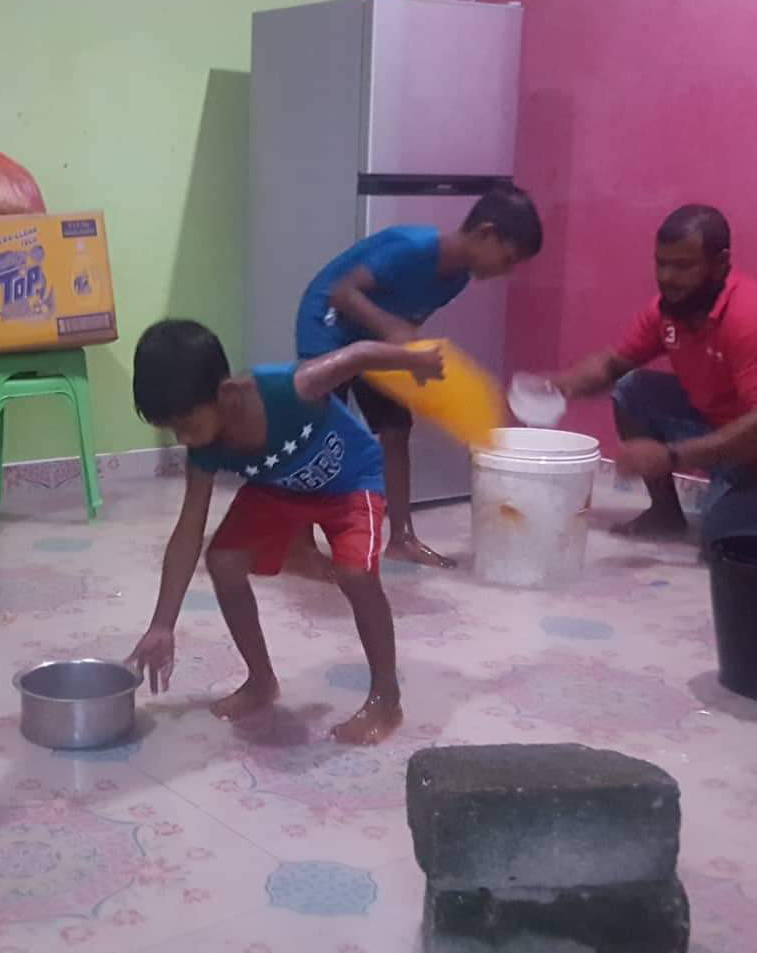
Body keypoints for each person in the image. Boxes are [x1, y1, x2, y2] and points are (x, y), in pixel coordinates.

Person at [124, 318, 443, 745]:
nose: (184, 438)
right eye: (172, 430)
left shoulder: (289, 387)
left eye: (187, 423)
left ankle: (386, 698)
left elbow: (357, 356)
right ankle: (261, 680)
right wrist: (162, 625)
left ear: (226, 394)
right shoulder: (203, 449)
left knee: (355, 574)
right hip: (282, 487)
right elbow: (188, 530)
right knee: (223, 561)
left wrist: (414, 360)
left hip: (352, 481)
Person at [546, 204, 757, 546]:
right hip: (719, 423)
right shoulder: (671, 308)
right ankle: (665, 514)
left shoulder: (753, 320)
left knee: (722, 547)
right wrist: (561, 384)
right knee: (632, 388)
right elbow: (615, 364)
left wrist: (671, 456)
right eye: (661, 263)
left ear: (720, 263)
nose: (667, 277)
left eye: (683, 266)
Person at [292, 185, 544, 568]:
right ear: (486, 234)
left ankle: (402, 537)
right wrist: (393, 333)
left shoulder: (456, 277)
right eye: (508, 259)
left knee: (396, 429)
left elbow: (407, 318)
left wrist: (413, 363)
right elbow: (343, 293)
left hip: (374, 335)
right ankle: (300, 544)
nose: (506, 272)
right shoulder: (413, 248)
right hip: (329, 324)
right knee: (323, 433)